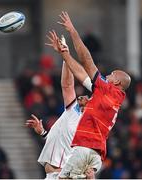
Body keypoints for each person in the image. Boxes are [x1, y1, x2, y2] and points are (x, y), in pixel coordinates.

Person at [46, 11, 131, 179]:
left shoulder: (109, 90)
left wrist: (72, 31)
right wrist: (64, 54)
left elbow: (86, 61)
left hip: (84, 148)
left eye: (112, 74)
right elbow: (80, 73)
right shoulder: (110, 96)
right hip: (95, 154)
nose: (108, 75)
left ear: (117, 83)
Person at [26, 32, 94, 179]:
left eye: (89, 97)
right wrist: (65, 56)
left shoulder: (88, 126)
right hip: (51, 175)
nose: (85, 96)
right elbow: (67, 85)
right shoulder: (73, 110)